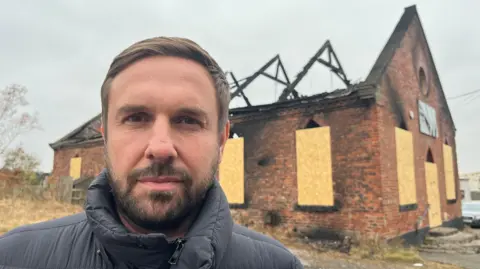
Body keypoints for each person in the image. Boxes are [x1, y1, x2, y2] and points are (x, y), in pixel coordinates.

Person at [0, 37, 303, 269]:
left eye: (187, 120)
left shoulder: (277, 264)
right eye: (136, 118)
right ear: (105, 137)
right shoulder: (15, 256)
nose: (160, 148)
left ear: (221, 141)